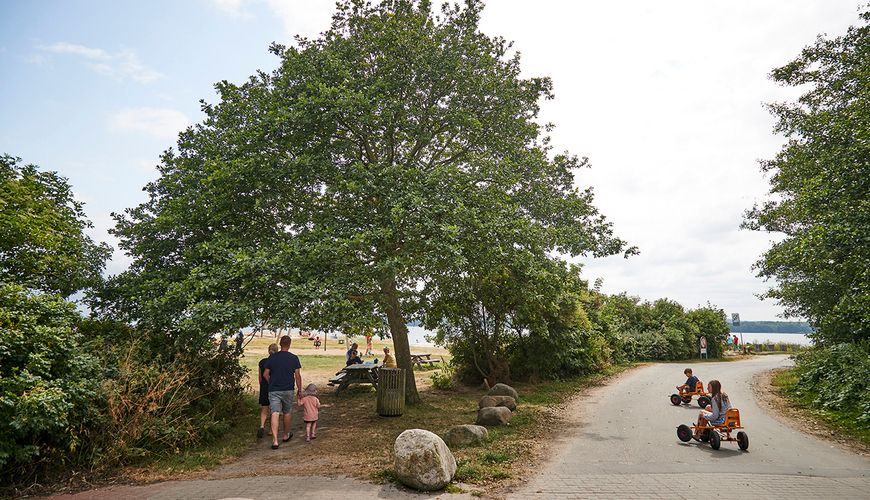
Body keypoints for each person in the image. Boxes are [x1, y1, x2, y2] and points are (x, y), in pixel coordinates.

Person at [263, 335, 303, 450]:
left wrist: (271, 382)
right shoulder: (294, 358)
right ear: (289, 344)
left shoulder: (272, 358)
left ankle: (275, 441)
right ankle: (286, 435)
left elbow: (266, 374)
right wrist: (300, 390)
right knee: (287, 411)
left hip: (274, 389)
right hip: (288, 389)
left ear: (280, 344)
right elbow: (297, 376)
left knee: (275, 412)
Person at [257, 343, 279, 438]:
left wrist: (262, 385)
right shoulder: (277, 362)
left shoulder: (262, 362)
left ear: (268, 350)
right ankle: (271, 430)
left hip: (264, 387)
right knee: (273, 409)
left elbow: (260, 377)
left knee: (264, 408)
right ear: (277, 351)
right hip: (274, 387)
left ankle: (262, 426)